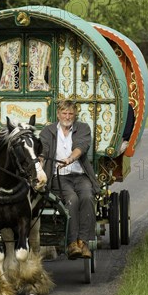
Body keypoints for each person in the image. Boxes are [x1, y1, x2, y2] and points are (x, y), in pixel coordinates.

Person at [40, 100, 100, 259]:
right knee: (72, 199)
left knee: (87, 197)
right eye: (64, 113)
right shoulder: (47, 132)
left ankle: (83, 243)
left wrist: (70, 158)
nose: (67, 116)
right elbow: (43, 150)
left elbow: (81, 146)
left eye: (70, 114)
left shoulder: (83, 128)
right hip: (59, 177)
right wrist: (39, 161)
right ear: (58, 114)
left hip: (80, 175)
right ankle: (72, 243)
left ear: (75, 115)